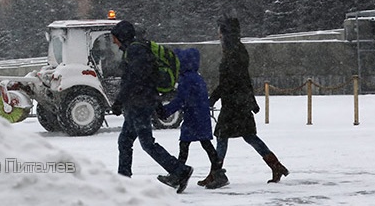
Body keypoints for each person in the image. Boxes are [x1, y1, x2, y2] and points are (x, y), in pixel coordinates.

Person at [206, 13, 290, 188]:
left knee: (223, 136)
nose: (218, 34)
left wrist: (213, 98)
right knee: (249, 137)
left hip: (234, 104)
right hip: (239, 102)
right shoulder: (236, 50)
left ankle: (216, 174)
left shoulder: (233, 52)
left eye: (220, 31)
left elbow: (229, 81)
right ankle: (276, 166)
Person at [110, 20, 194, 193]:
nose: (113, 42)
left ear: (121, 36)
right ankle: (123, 179)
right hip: (138, 103)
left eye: (114, 38)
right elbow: (147, 79)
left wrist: (120, 101)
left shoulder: (135, 50)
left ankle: (180, 170)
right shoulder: (135, 50)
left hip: (139, 104)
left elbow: (136, 80)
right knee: (125, 141)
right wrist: (154, 103)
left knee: (147, 143)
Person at [155, 48, 221, 189]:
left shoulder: (186, 79)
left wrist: (166, 111)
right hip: (199, 115)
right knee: (204, 144)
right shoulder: (196, 77)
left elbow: (181, 99)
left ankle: (180, 174)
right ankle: (217, 172)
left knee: (185, 145)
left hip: (193, 117)